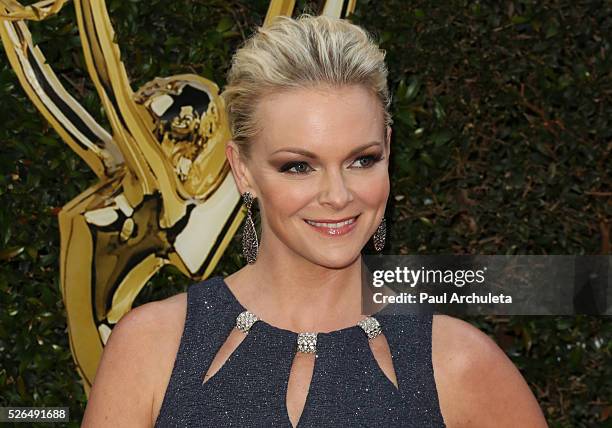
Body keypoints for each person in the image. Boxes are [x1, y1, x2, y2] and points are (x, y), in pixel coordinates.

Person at [82, 14, 548, 427]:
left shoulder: (459, 362)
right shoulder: (151, 348)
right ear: (243, 170)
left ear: (388, 148)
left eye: (362, 160)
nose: (338, 195)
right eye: (298, 166)